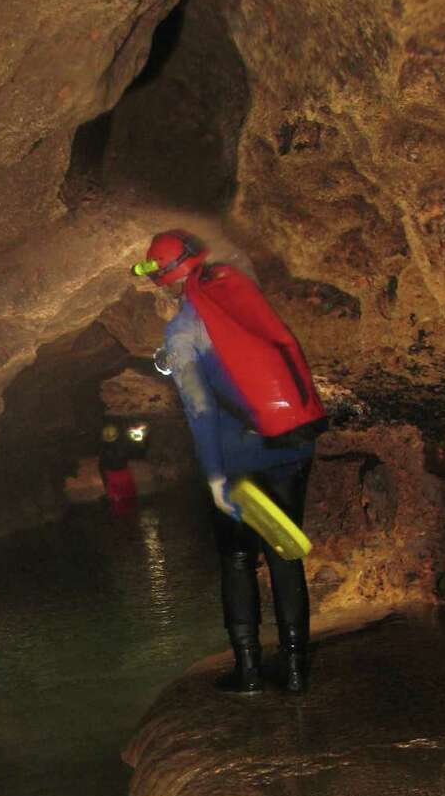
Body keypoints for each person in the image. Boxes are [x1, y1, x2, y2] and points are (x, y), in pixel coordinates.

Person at [132, 229, 325, 694]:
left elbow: (200, 412)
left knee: (237, 558)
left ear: (163, 280)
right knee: (285, 555)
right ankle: (296, 669)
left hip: (240, 460)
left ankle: (250, 670)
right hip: (293, 444)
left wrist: (217, 478)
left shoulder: (182, 331)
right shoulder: (240, 291)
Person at [99, 422, 137, 510]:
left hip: (114, 477)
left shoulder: (104, 451)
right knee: (130, 501)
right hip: (124, 475)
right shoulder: (123, 446)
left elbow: (101, 468)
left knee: (117, 504)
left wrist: (106, 486)